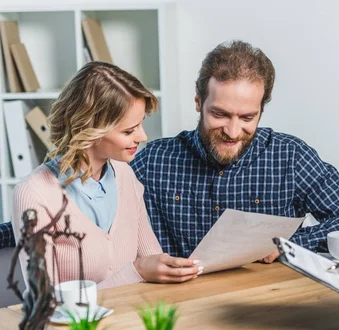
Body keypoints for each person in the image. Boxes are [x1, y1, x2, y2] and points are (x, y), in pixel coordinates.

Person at [130, 40, 339, 262]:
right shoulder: (152, 162)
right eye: (220, 114)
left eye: (247, 117)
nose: (233, 132)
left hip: (267, 303)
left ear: (261, 110)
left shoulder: (290, 157)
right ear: (198, 102)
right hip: (180, 304)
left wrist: (288, 246)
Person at [11, 62, 202, 289]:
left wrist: (174, 269)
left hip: (133, 319)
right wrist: (137, 272)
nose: (142, 136)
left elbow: (152, 262)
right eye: (128, 130)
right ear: (90, 130)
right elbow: (47, 306)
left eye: (140, 124)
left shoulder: (125, 176)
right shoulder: (35, 194)